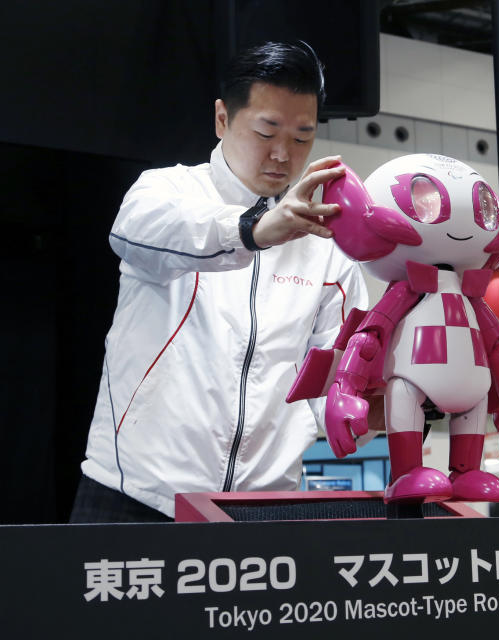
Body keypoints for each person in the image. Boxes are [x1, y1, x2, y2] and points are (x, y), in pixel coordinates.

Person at [70, 41, 375, 523]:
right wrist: (251, 231)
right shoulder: (166, 190)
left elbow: (334, 391)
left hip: (262, 509)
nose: (282, 154)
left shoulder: (328, 247)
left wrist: (382, 407)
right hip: (138, 494)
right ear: (222, 119)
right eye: (267, 131)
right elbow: (134, 233)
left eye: (302, 137)